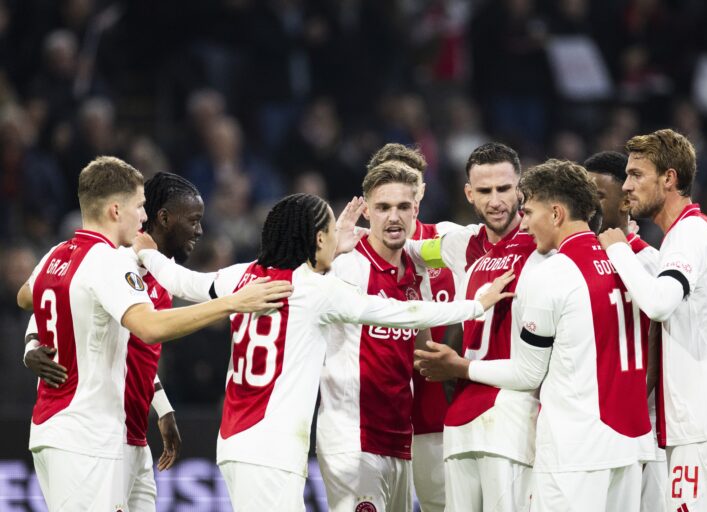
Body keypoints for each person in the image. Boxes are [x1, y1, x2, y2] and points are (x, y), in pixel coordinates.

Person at [132, 191, 514, 511]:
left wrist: (147, 252)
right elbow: (403, 311)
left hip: (235, 442)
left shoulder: (242, 275)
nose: (341, 240)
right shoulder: (316, 292)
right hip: (272, 449)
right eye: (332, 231)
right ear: (316, 239)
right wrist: (475, 305)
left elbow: (183, 281)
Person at [16, 156, 292, 511]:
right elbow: (148, 328)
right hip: (87, 431)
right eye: (139, 207)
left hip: (104, 429)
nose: (143, 216)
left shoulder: (61, 253)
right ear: (117, 210)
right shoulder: (112, 262)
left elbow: (30, 294)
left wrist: (161, 407)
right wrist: (234, 303)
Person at [417, 159, 654, 512]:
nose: (524, 224)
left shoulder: (553, 273)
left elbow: (528, 373)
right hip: (629, 442)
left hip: (575, 445)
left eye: (528, 212)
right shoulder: (625, 262)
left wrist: (459, 368)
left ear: (556, 213)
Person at [23, 171, 208, 511]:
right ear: (163, 218)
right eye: (194, 220)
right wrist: (32, 342)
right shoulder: (116, 262)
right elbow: (59, 301)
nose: (199, 230)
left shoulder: (158, 270)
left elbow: (128, 346)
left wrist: (162, 408)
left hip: (131, 433)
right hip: (96, 432)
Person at [599, 129, 707, 511]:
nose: (626, 186)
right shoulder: (687, 234)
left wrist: (619, 250)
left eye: (637, 175)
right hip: (705, 425)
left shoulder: (690, 234)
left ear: (669, 178)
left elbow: (659, 303)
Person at [406, 142, 544, 511]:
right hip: (462, 416)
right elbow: (410, 250)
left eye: (504, 188)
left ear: (521, 188)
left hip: (517, 415)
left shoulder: (541, 244)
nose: (496, 200)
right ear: (469, 193)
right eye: (484, 191)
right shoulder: (461, 244)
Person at [367, 143, 461, 512]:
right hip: (379, 416)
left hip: (439, 411)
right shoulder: (356, 254)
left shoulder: (445, 240)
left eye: (412, 184)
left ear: (420, 191)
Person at [584, 150, 667, 512]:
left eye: (598, 196)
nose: (587, 205)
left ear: (626, 202)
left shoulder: (649, 261)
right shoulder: (568, 261)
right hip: (587, 428)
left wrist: (626, 410)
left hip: (641, 431)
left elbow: (658, 347)